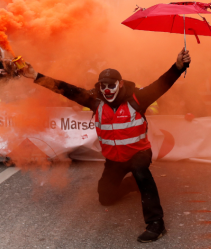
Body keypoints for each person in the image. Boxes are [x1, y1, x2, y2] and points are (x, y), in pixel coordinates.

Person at [19, 49, 191, 242]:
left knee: (141, 172)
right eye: (103, 86)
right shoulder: (96, 101)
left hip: (138, 153)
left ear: (121, 84)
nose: (107, 89)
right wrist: (36, 76)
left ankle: (156, 223)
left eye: (111, 85)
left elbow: (162, 84)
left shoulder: (137, 98)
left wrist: (178, 66)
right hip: (114, 159)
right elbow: (66, 89)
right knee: (105, 198)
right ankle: (132, 185)